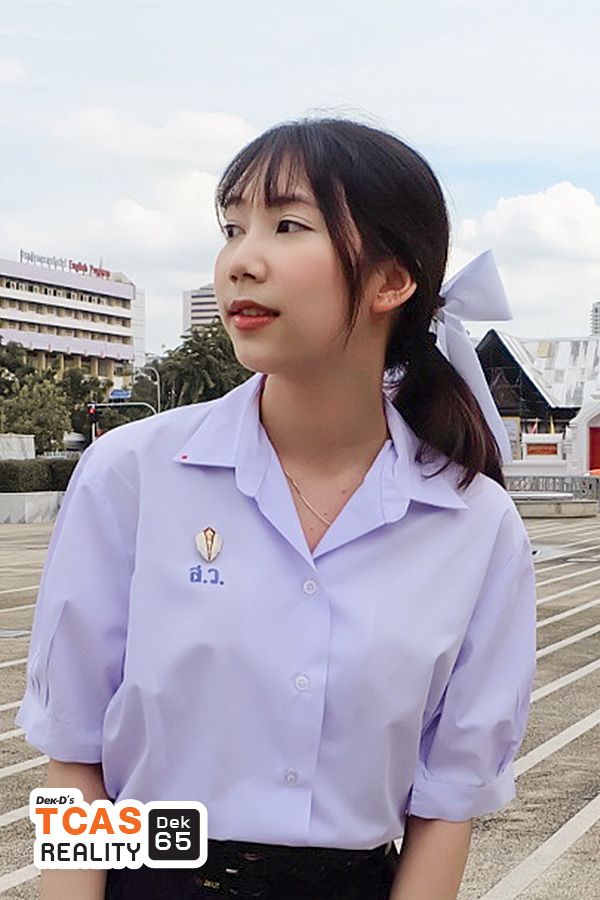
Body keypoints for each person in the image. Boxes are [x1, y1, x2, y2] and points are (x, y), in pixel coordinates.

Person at [17, 117, 537, 900]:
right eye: (232, 228)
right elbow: (73, 758)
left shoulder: (474, 523)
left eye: (288, 225)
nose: (240, 261)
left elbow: (448, 800)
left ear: (391, 281)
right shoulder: (132, 475)